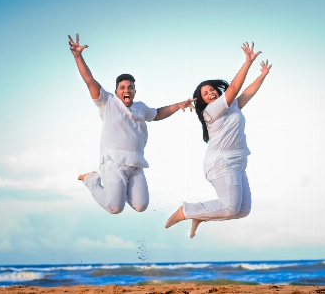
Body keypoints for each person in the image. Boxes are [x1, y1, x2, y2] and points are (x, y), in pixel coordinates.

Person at [69, 34, 195, 214]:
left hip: (136, 165)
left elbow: (158, 114)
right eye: (122, 88)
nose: (126, 90)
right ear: (116, 91)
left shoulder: (140, 108)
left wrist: (178, 105)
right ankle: (91, 179)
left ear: (134, 91)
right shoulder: (108, 102)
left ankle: (119, 191)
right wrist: (78, 56)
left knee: (141, 206)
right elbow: (89, 80)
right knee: (115, 208)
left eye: (130, 88)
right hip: (113, 163)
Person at [165, 42, 271, 238]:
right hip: (221, 163)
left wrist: (262, 75)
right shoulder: (211, 111)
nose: (210, 93)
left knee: (242, 210)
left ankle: (200, 215)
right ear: (203, 101)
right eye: (205, 94)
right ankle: (186, 211)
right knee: (230, 208)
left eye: (212, 90)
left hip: (237, 162)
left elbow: (246, 92)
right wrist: (247, 62)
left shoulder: (233, 107)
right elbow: (235, 87)